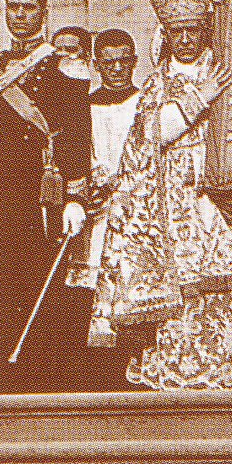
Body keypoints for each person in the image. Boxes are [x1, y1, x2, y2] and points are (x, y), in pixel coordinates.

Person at [89, 0, 232, 389]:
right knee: (183, 286)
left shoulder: (228, 66)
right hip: (174, 200)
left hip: (225, 194)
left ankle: (231, 369)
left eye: (193, 31)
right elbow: (148, 137)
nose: (185, 39)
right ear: (166, 32)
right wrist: (200, 98)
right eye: (176, 31)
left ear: (204, 30)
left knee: (230, 278)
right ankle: (180, 373)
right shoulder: (158, 83)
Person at [0, 0, 92, 392]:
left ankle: (39, 381)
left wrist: (76, 197)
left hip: (40, 193)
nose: (20, 14)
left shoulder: (62, 66)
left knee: (38, 281)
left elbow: (77, 133)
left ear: (44, 14)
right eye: (13, 6)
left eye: (29, 7)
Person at [64, 30, 141, 292]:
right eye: (109, 62)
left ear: (135, 61)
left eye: (124, 61)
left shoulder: (145, 104)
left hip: (136, 205)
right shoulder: (82, 108)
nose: (117, 69)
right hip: (97, 207)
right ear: (96, 65)